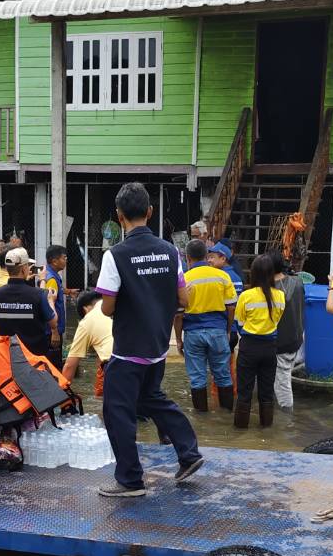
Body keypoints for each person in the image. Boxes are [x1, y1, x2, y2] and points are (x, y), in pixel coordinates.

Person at [96, 182, 203, 497]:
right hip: (157, 346)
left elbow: (108, 306)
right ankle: (189, 452)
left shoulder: (115, 255)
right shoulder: (171, 251)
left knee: (117, 412)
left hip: (128, 349)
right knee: (151, 398)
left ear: (119, 216)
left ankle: (129, 481)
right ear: (150, 212)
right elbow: (183, 298)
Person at [173, 238, 236, 412]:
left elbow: (178, 316)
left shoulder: (183, 279)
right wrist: (228, 330)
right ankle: (226, 417)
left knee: (197, 379)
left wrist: (178, 339)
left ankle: (201, 420)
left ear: (187, 258)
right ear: (206, 256)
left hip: (193, 333)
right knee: (223, 376)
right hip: (218, 331)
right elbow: (231, 308)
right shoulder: (223, 276)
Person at [232, 252, 286, 428]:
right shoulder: (280, 296)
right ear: (272, 273)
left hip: (249, 347)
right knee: (266, 392)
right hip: (270, 348)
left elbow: (239, 323)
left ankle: (240, 432)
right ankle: (266, 429)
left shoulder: (246, 296)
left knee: (244, 392)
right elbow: (277, 320)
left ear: (253, 273)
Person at [0, 248, 58, 363]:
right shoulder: (39, 294)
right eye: (27, 265)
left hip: (8, 356)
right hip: (35, 357)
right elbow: (53, 322)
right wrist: (51, 300)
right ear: (23, 269)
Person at [62, 289, 114, 394]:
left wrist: (61, 396)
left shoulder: (87, 320)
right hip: (150, 357)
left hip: (117, 365)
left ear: (85, 309)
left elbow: (69, 366)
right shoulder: (115, 302)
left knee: (116, 407)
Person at [273, 254, 306, 410]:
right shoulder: (298, 281)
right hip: (296, 337)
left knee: (282, 380)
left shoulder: (272, 288)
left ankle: (286, 419)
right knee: (282, 377)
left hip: (282, 340)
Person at [39, 244, 69, 364]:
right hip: (52, 331)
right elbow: (48, 307)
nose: (65, 260)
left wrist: (68, 291)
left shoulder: (50, 275)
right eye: (64, 258)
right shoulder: (51, 279)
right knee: (54, 366)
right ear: (54, 261)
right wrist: (54, 332)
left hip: (49, 329)